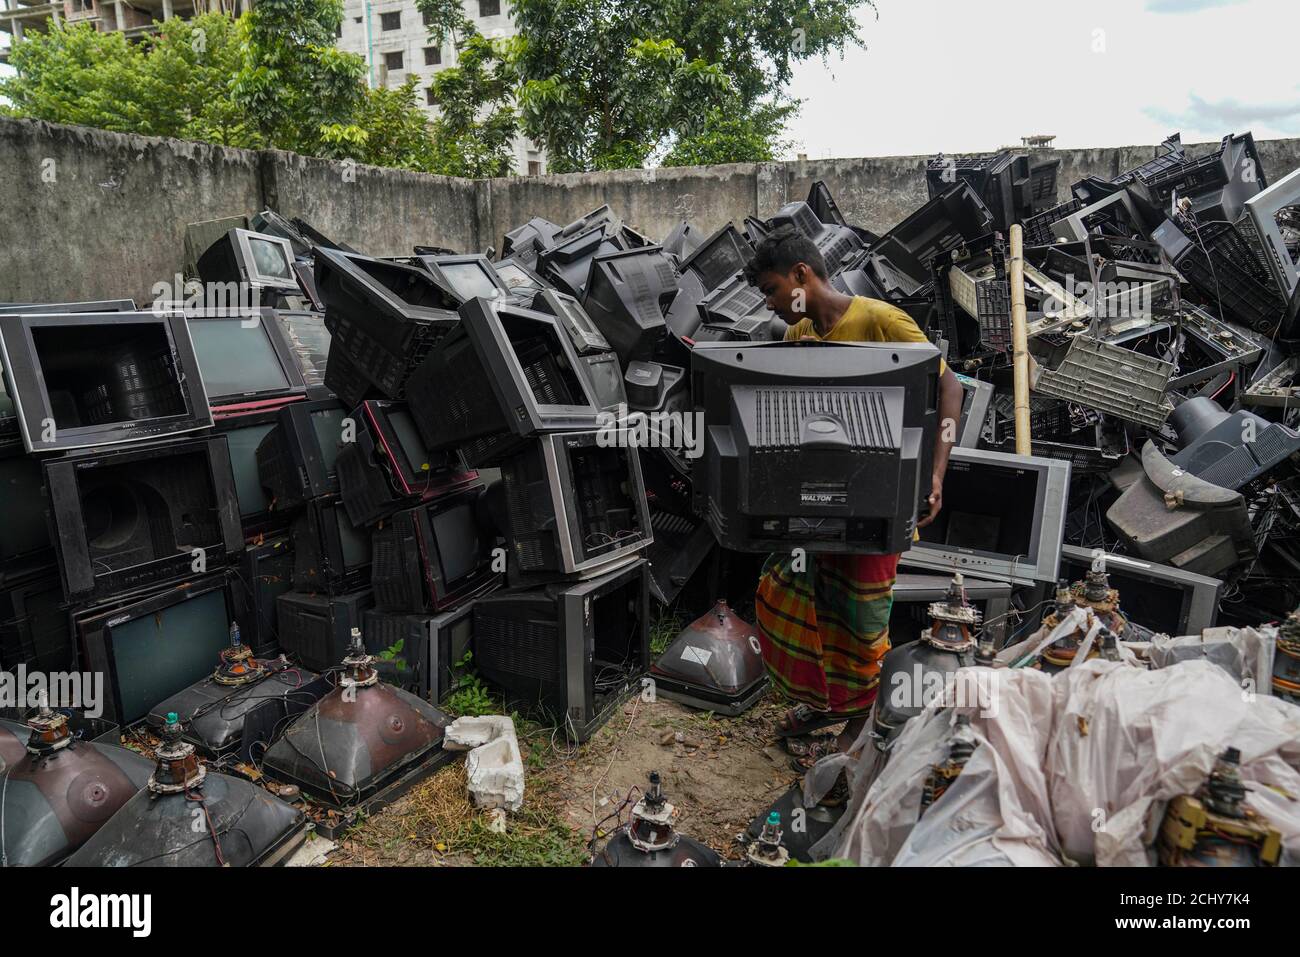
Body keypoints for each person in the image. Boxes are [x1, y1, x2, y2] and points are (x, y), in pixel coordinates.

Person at [744, 225, 964, 768]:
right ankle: (825, 705)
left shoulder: (880, 320)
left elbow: (949, 386)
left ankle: (863, 729)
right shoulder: (798, 338)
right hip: (818, 505)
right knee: (793, 600)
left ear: (801, 275)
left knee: (863, 625)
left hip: (878, 505)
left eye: (773, 291)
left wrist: (935, 474)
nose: (772, 305)